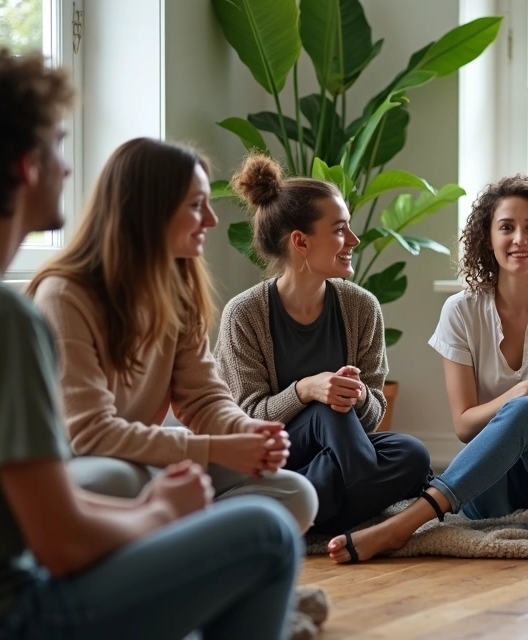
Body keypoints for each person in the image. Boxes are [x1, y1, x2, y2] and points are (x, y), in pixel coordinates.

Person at [0, 47, 299, 640]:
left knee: (276, 500)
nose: (67, 166)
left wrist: (204, 462)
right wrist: (160, 512)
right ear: (24, 165)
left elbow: (25, 517)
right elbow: (59, 541)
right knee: (266, 532)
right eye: (58, 144)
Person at [26, 139, 326, 636]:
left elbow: (205, 398)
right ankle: (193, 584)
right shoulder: (66, 294)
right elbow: (88, 435)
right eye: (195, 205)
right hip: (84, 470)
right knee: (120, 480)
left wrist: (248, 435)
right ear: (147, 210)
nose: (210, 219)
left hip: (147, 459)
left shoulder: (179, 288)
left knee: (295, 493)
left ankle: (192, 580)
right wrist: (214, 448)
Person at [325, 174, 528, 563]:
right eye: (506, 227)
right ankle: (436, 526)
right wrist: (524, 390)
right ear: (487, 237)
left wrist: (526, 400)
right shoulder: (460, 310)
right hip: (494, 479)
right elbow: (463, 425)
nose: (519, 240)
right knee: (525, 406)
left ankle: (489, 529)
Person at [215, 154, 431, 537]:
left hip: (335, 457)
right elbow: (246, 419)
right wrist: (306, 390)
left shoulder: (360, 306)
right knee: (328, 410)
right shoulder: (244, 314)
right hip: (274, 456)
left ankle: (298, 510)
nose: (354, 240)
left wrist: (360, 393)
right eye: (339, 230)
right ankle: (356, 509)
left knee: (412, 453)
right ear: (300, 241)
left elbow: (373, 413)